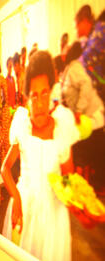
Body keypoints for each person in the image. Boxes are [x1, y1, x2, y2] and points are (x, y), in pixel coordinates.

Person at [1, 51, 80, 261]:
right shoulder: (23, 127)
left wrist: (76, 201)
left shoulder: (61, 129)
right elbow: (5, 168)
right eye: (34, 96)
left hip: (53, 217)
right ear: (27, 98)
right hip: (24, 210)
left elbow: (69, 179)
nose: (40, 102)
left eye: (44, 93)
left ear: (51, 92)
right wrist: (15, 197)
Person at [62, 41, 105, 191]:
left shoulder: (74, 67)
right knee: (87, 152)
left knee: (86, 152)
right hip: (87, 120)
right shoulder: (68, 70)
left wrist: (79, 110)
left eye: (64, 49)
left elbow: (85, 84)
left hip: (91, 118)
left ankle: (86, 188)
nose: (62, 52)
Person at [75, 5, 105, 103]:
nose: (76, 30)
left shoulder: (100, 31)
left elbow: (87, 58)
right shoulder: (89, 38)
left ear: (84, 21)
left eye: (77, 26)